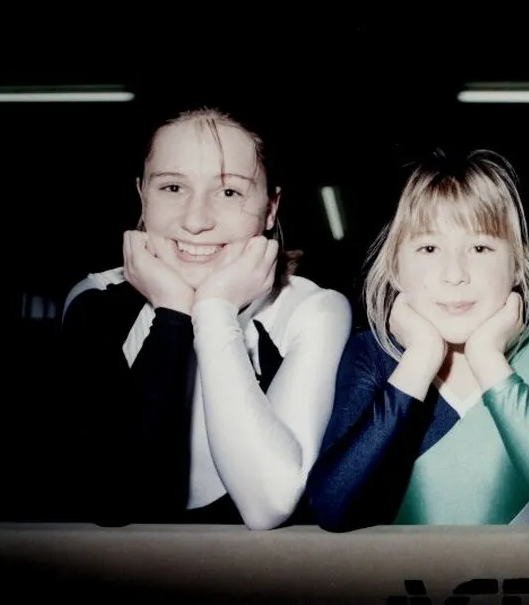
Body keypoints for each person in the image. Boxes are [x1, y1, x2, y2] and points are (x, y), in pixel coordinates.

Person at [59, 108, 352, 529]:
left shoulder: (313, 310)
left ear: (270, 210)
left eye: (229, 192)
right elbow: (112, 499)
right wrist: (173, 314)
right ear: (143, 198)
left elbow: (268, 504)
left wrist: (214, 310)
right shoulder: (95, 300)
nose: (196, 220)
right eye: (173, 187)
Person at [305, 149, 529, 533]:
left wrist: (489, 361)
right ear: (396, 269)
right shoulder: (372, 353)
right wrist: (419, 361)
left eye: (480, 248)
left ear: (516, 265)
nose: (455, 274)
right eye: (429, 248)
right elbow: (331, 507)